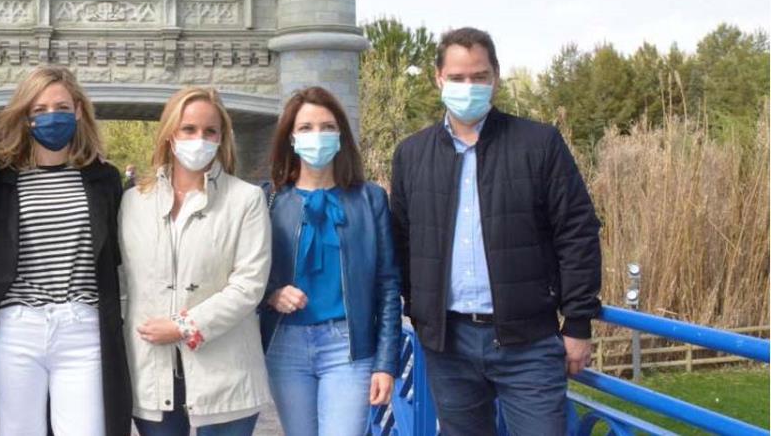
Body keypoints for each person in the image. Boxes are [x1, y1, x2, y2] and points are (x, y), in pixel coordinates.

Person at [389, 27, 602, 435]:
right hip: (448, 343)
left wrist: (578, 323)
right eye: (457, 77)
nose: (468, 86)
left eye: (479, 77)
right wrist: (420, 310)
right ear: (438, 79)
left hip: (529, 341)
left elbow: (577, 233)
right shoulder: (412, 155)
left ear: (495, 78)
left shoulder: (538, 144)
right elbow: (402, 240)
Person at [0, 67, 131, 436]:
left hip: (82, 327)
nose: (52, 116)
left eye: (62, 107)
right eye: (40, 109)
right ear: (27, 117)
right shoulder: (1, 178)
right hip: (15, 328)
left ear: (79, 111)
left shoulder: (103, 179)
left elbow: (122, 252)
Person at [119, 86, 272, 436]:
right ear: (170, 133)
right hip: (151, 376)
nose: (199, 139)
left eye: (210, 131)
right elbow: (123, 281)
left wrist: (185, 326)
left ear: (222, 138)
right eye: (189, 129)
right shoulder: (132, 203)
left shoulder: (246, 200)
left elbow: (249, 285)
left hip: (226, 376)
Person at [259, 86, 401, 436]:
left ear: (341, 135)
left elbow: (387, 285)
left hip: (348, 347)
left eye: (327, 126)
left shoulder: (370, 199)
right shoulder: (268, 200)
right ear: (291, 138)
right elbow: (247, 275)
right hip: (285, 346)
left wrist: (386, 363)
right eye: (306, 128)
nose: (317, 136)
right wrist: (272, 295)